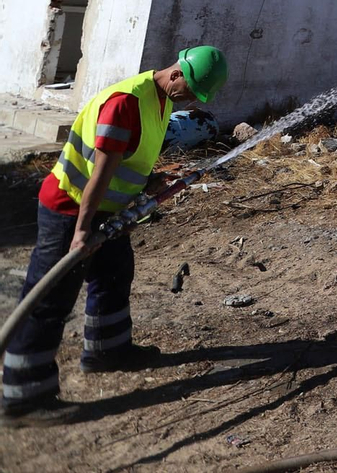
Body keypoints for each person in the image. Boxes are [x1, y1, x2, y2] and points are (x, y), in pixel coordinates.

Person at [2, 47, 227, 424]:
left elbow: (127, 160)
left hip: (106, 208)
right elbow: (99, 175)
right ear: (176, 74)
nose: (189, 101)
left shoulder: (160, 100)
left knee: (114, 271)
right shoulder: (126, 103)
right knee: (49, 297)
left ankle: (108, 351)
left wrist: (147, 182)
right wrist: (82, 232)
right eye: (189, 92)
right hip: (71, 207)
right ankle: (23, 397)